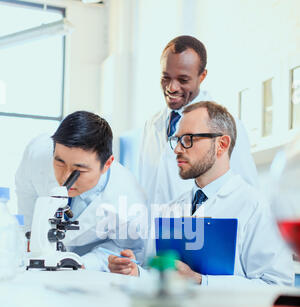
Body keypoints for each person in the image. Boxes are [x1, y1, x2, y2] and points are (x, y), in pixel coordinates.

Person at [108, 101, 293, 287]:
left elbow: (276, 285)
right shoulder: (172, 208)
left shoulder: (257, 207)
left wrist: (200, 281)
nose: (178, 149)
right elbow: (161, 273)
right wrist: (136, 272)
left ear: (221, 144)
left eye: (188, 139)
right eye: (177, 140)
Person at [15, 111, 147, 270]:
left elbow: (129, 250)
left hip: (89, 267)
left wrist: (88, 263)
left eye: (80, 170)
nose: (65, 178)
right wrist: (33, 235)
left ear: (107, 164)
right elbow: (25, 192)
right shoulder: (37, 155)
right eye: (60, 162)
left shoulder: (128, 198)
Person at [138, 35, 258, 204]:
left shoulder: (226, 124)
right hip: (156, 228)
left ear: (202, 76)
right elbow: (146, 187)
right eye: (166, 77)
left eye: (183, 79)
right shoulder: (151, 126)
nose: (171, 88)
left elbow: (248, 193)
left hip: (202, 228)